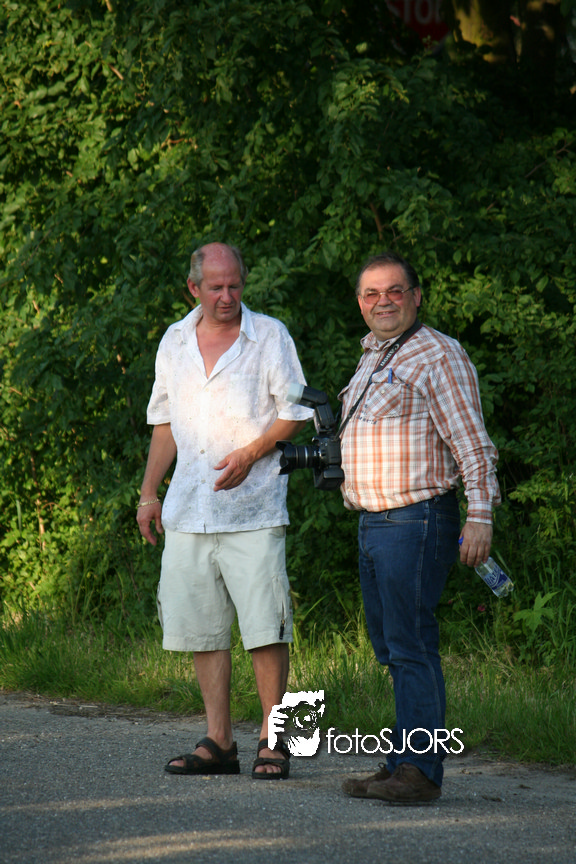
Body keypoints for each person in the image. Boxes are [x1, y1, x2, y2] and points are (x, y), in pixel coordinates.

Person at [136, 242, 311, 779]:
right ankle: (219, 741)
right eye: (215, 287)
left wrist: (252, 453)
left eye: (234, 285)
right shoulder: (174, 341)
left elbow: (295, 412)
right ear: (194, 288)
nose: (227, 296)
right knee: (202, 629)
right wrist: (148, 493)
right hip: (189, 509)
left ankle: (273, 739)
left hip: (253, 509)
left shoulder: (271, 336)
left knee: (265, 627)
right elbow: (164, 423)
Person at [339, 251, 500, 804]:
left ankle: (421, 774)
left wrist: (480, 516)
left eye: (394, 290)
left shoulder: (437, 354)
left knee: (411, 645)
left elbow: (473, 444)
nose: (382, 301)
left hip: (416, 518)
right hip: (375, 523)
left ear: (416, 296)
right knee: (392, 646)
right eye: (371, 293)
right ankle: (401, 763)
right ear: (360, 302)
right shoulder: (373, 355)